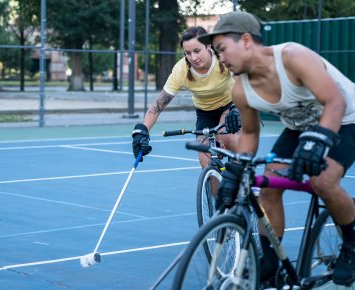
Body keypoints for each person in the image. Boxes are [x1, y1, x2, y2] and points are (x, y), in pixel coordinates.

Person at [198, 11, 355, 286]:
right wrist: (238, 165)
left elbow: (334, 102)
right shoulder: (240, 89)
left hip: (345, 118)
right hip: (300, 127)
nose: (220, 58)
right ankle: (270, 261)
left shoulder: (292, 57)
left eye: (222, 49)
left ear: (246, 40)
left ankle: (352, 244)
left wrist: (319, 141)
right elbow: (249, 132)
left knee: (323, 181)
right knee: (268, 186)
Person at [131, 26, 242, 169]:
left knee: (226, 136)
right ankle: (214, 190)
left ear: (208, 45)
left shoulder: (223, 57)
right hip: (205, 113)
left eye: (197, 51)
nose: (193, 58)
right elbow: (158, 106)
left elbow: (244, 81)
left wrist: (238, 107)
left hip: (230, 106)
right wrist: (142, 130)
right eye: (188, 53)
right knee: (205, 160)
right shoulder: (181, 70)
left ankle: (239, 178)